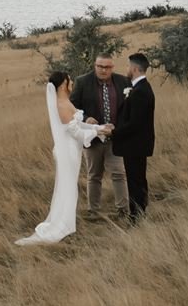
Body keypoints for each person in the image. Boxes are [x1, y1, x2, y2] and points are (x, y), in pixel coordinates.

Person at [15, 70, 105, 245]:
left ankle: (67, 224)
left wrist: (97, 127)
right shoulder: (62, 105)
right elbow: (75, 132)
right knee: (68, 188)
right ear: (63, 83)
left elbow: (76, 124)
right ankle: (62, 226)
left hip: (72, 150)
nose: (72, 83)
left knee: (70, 187)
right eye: (69, 80)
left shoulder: (65, 102)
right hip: (68, 151)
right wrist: (98, 131)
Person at [71, 54, 129, 218]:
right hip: (92, 137)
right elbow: (72, 107)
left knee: (119, 173)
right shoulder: (82, 81)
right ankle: (93, 211)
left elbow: (128, 108)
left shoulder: (123, 82)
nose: (104, 70)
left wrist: (119, 127)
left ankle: (123, 210)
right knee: (94, 174)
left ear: (112, 67)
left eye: (107, 67)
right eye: (100, 66)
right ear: (95, 66)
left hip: (115, 137)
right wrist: (86, 118)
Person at [106, 51, 155, 223]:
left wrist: (113, 132)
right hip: (136, 144)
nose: (126, 69)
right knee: (137, 179)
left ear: (134, 69)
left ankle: (136, 216)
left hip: (136, 144)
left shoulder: (141, 91)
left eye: (128, 66)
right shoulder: (139, 88)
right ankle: (139, 212)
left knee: (136, 181)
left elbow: (135, 123)